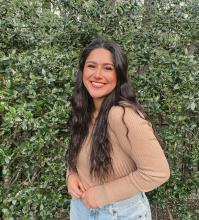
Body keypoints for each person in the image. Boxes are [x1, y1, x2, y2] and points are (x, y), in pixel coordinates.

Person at [65, 38, 170, 220]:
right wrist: (71, 174)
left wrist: (103, 194)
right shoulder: (85, 109)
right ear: (82, 71)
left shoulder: (122, 115)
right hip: (81, 208)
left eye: (108, 68)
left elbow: (158, 172)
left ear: (119, 75)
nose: (97, 74)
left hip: (118, 213)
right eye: (91, 66)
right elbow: (78, 152)